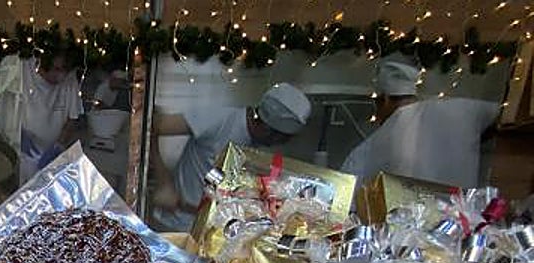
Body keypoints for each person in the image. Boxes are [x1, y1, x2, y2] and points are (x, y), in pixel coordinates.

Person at [151, 83, 312, 231]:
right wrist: (164, 183)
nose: (278, 144)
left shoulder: (260, 147)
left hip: (218, 230)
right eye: (279, 138)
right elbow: (150, 126)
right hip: (176, 224)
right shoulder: (219, 118)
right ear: (265, 127)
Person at [341, 58, 500, 188]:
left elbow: (347, 192)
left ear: (386, 99)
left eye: (377, 105)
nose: (376, 114)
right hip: (460, 217)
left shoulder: (374, 145)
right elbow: (504, 116)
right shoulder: (459, 109)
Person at [19, 51, 86, 183]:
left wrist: (59, 145)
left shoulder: (69, 80)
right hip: (26, 155)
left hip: (53, 155)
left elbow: (72, 118)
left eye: (64, 70)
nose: (61, 75)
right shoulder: (24, 70)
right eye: (56, 69)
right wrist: (18, 133)